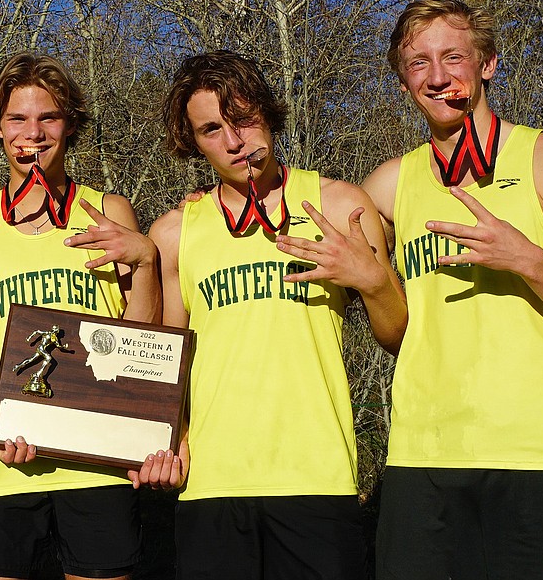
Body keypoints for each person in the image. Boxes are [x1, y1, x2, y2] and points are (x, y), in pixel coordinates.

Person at [363, 0, 543, 579]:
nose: (438, 77)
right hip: (422, 461)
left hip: (540, 460)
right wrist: (213, 197)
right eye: (418, 64)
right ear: (403, 79)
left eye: (453, 57)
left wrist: (531, 261)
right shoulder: (388, 185)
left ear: (487, 63)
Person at [134, 51, 406, 580]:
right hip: (214, 483)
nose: (233, 140)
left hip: (318, 477)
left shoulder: (339, 203)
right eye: (212, 129)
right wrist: (174, 439)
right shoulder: (174, 231)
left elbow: (398, 335)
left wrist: (372, 280)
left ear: (268, 111)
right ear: (192, 142)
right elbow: (164, 361)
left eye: (242, 117)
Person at [0, 52, 160, 580]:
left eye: (48, 118)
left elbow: (141, 338)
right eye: (17, 118)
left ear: (70, 124)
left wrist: (145, 260)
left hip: (97, 465)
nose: (32, 133)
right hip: (4, 461)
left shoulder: (109, 211)